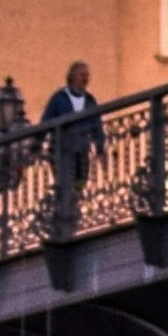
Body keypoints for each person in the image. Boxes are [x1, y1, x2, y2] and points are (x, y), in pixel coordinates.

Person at [40, 61, 97, 237]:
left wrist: (100, 145)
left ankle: (73, 214)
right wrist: (37, 143)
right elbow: (46, 122)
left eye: (87, 75)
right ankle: (64, 219)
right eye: (82, 75)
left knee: (80, 182)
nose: (85, 79)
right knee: (65, 184)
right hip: (62, 151)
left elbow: (97, 124)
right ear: (72, 76)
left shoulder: (90, 100)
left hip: (82, 150)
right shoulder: (59, 98)